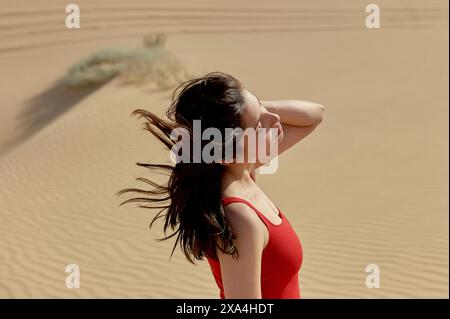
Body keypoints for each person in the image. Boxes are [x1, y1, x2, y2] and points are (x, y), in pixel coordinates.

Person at [117, 71, 325, 298]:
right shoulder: (240, 218)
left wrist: (249, 107)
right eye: (258, 125)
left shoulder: (245, 171)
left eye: (266, 111)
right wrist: (247, 110)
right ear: (227, 154)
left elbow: (315, 114)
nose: (274, 120)